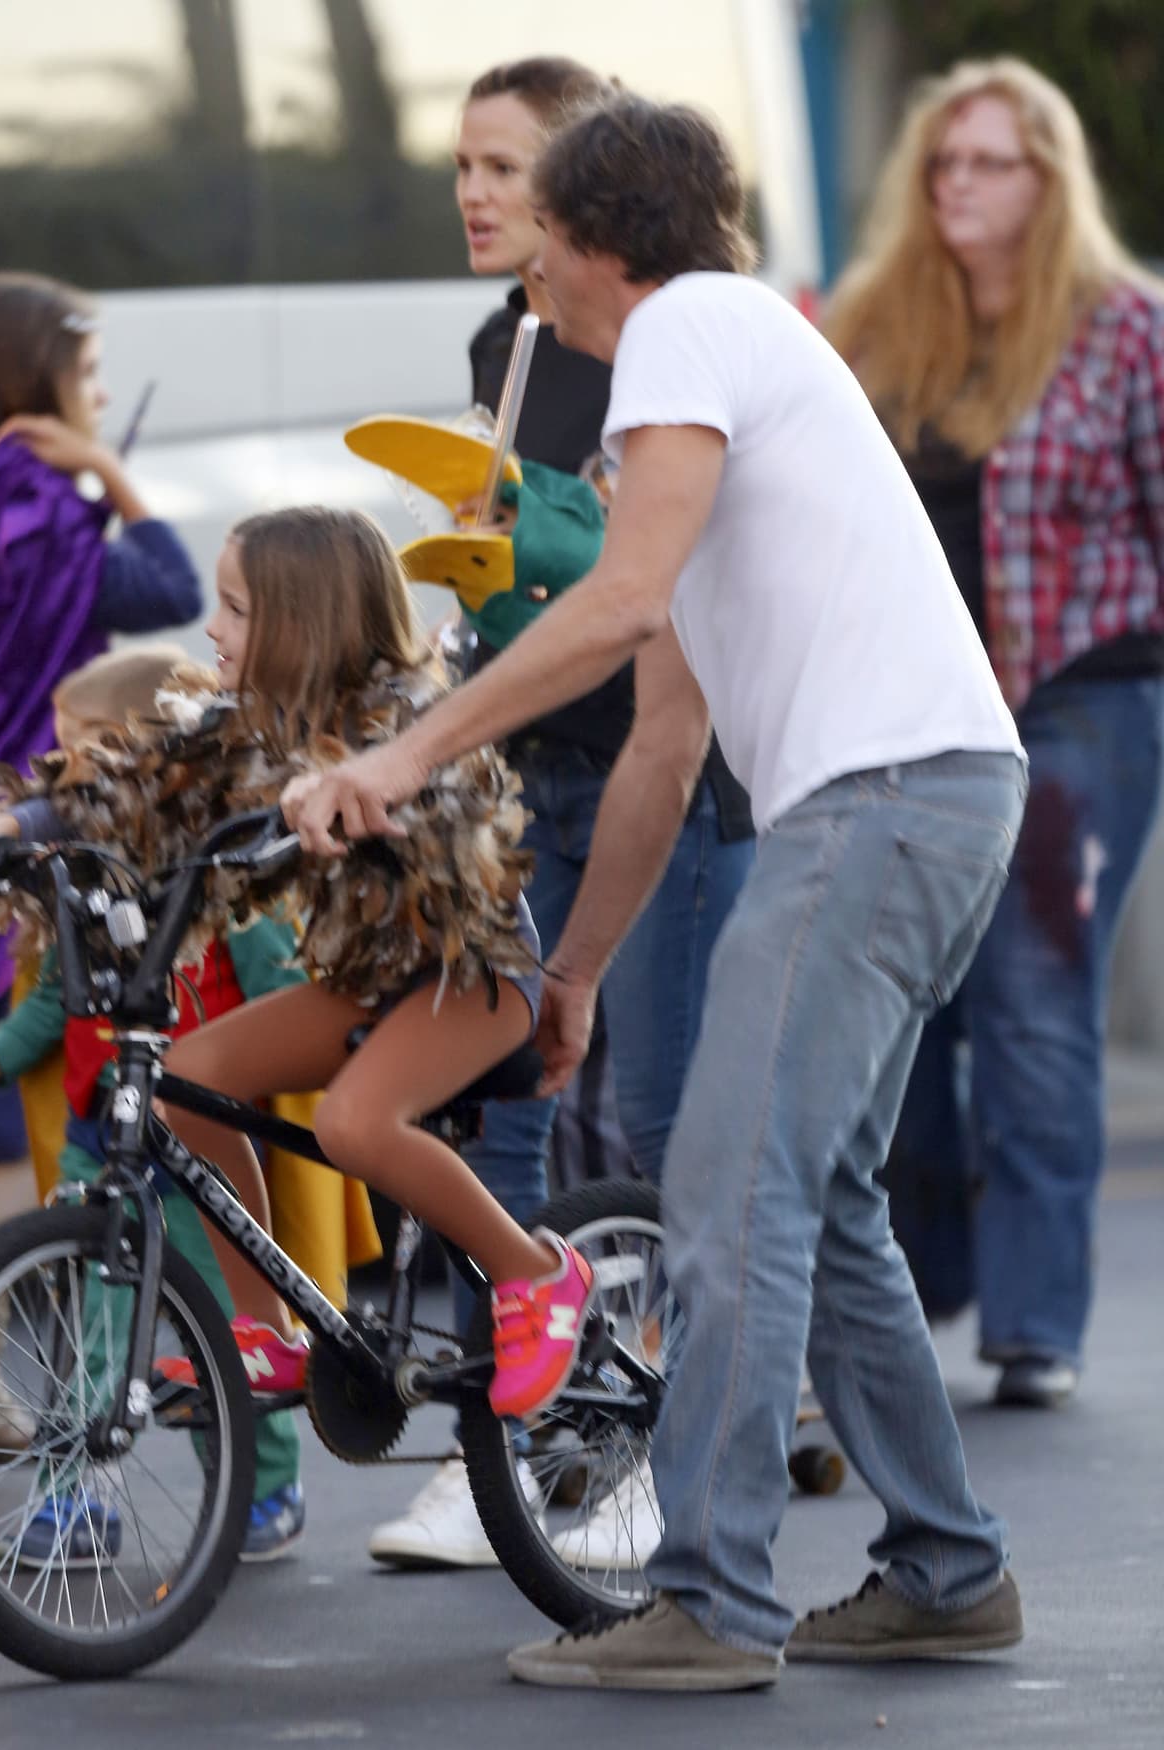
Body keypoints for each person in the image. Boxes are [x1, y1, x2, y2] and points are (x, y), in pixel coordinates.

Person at [280, 95, 1028, 1691]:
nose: (523, 273)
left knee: (730, 1189)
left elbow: (618, 606)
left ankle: (707, 1598)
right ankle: (949, 1567)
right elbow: (672, 735)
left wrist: (401, 761)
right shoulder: (708, 380)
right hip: (935, 794)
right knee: (816, 1200)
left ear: (601, 242)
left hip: (877, 801)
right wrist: (577, 975)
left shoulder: (686, 326)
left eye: (536, 229)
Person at [0, 505, 597, 1431]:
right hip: (368, 977)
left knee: (359, 1124)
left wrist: (369, 792)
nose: (212, 628)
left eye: (235, 609)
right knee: (180, 1084)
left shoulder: (409, 714)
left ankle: (540, 1275)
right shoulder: (245, 726)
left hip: (469, 971)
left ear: (299, 621)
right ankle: (267, 1331)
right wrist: (6, 827)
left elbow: (450, 801)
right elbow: (134, 782)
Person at [369, 53, 756, 1573]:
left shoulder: (661, 338)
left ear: (585, 195)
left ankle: (665, 1446)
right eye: (460, 166)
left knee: (667, 1124)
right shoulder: (503, 335)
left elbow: (628, 570)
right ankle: (505, 1457)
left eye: (504, 168)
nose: (474, 193)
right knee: (502, 1114)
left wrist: (530, 532)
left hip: (662, 772)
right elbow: (533, 553)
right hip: (521, 777)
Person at [824, 58, 1164, 1409]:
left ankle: (1034, 1323)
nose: (958, 185)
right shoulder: (870, 324)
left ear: (1048, 181)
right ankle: (928, 1276)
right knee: (905, 1001)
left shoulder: (1123, 330)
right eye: (943, 163)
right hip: (915, 708)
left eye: (989, 163)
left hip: (1081, 694)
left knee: (1032, 997)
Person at [0, 643, 322, 1563]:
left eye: (89, 744)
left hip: (200, 1153)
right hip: (110, 1141)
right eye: (58, 747)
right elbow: (60, 994)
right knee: (95, 1330)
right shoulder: (89, 873)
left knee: (229, 1325)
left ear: (154, 750)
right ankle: (78, 1495)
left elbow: (274, 982)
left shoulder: (211, 878)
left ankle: (262, 1482)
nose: (65, 766)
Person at [0, 271, 201, 1347]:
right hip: (27, 836)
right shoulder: (47, 519)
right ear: (37, 385)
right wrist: (113, 480)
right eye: (90, 377)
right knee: (38, 1108)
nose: (101, 400)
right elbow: (170, 591)